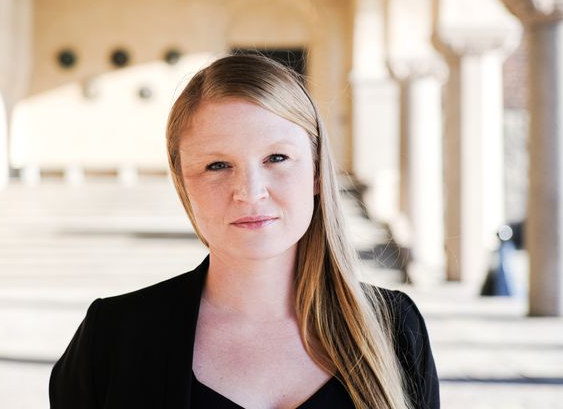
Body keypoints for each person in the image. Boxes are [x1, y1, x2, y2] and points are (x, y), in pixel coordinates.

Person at [49, 54, 440, 409]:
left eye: (277, 158)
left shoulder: (393, 327)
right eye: (218, 165)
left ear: (317, 171)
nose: (250, 193)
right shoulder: (114, 336)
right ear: (183, 181)